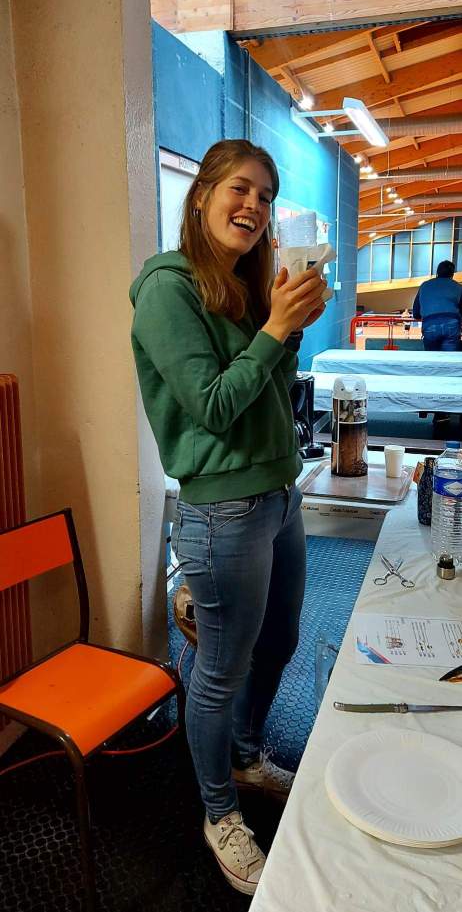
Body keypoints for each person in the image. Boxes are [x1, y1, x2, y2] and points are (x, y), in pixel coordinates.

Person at [130, 139, 326, 895]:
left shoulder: (242, 286)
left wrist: (288, 325)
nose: (254, 206)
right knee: (220, 670)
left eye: (266, 196)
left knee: (279, 641)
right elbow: (212, 407)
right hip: (222, 510)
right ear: (203, 194)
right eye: (240, 188)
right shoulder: (166, 289)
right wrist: (275, 330)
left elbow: (270, 387)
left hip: (279, 494)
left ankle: (244, 755)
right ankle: (219, 813)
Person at [412, 260, 462, 351]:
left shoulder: (425, 286)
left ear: (437, 272)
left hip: (430, 324)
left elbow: (415, 313)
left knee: (433, 357)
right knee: (450, 358)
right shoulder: (458, 287)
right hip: (451, 324)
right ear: (452, 274)